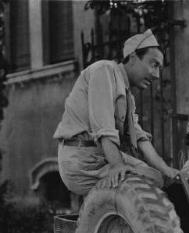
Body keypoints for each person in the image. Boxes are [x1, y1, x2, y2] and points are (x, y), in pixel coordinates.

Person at [53, 29, 178, 195]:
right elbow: (103, 127)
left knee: (156, 177)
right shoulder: (104, 70)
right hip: (83, 159)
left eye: (160, 68)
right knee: (148, 182)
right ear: (133, 58)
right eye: (154, 64)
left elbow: (139, 137)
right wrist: (117, 165)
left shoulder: (127, 95)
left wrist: (167, 169)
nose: (156, 75)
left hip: (99, 155)